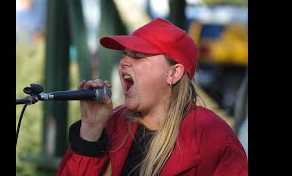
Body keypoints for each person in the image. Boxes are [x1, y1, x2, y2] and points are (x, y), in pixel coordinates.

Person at [56, 18, 248, 176]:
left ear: (174, 73)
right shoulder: (113, 124)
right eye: (124, 54)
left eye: (138, 56)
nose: (123, 61)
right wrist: (90, 132)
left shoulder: (212, 135)